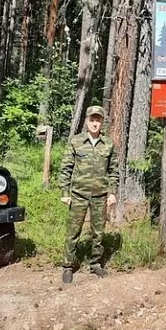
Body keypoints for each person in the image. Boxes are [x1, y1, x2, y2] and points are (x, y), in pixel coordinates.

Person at [59, 105, 119, 284]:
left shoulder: (108, 143)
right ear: (86, 121)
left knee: (98, 233)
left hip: (100, 195)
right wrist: (64, 192)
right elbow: (66, 168)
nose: (94, 123)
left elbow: (114, 170)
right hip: (78, 194)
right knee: (73, 231)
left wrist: (112, 192)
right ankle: (68, 266)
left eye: (98, 120)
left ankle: (95, 264)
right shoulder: (76, 141)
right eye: (92, 120)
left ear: (102, 123)